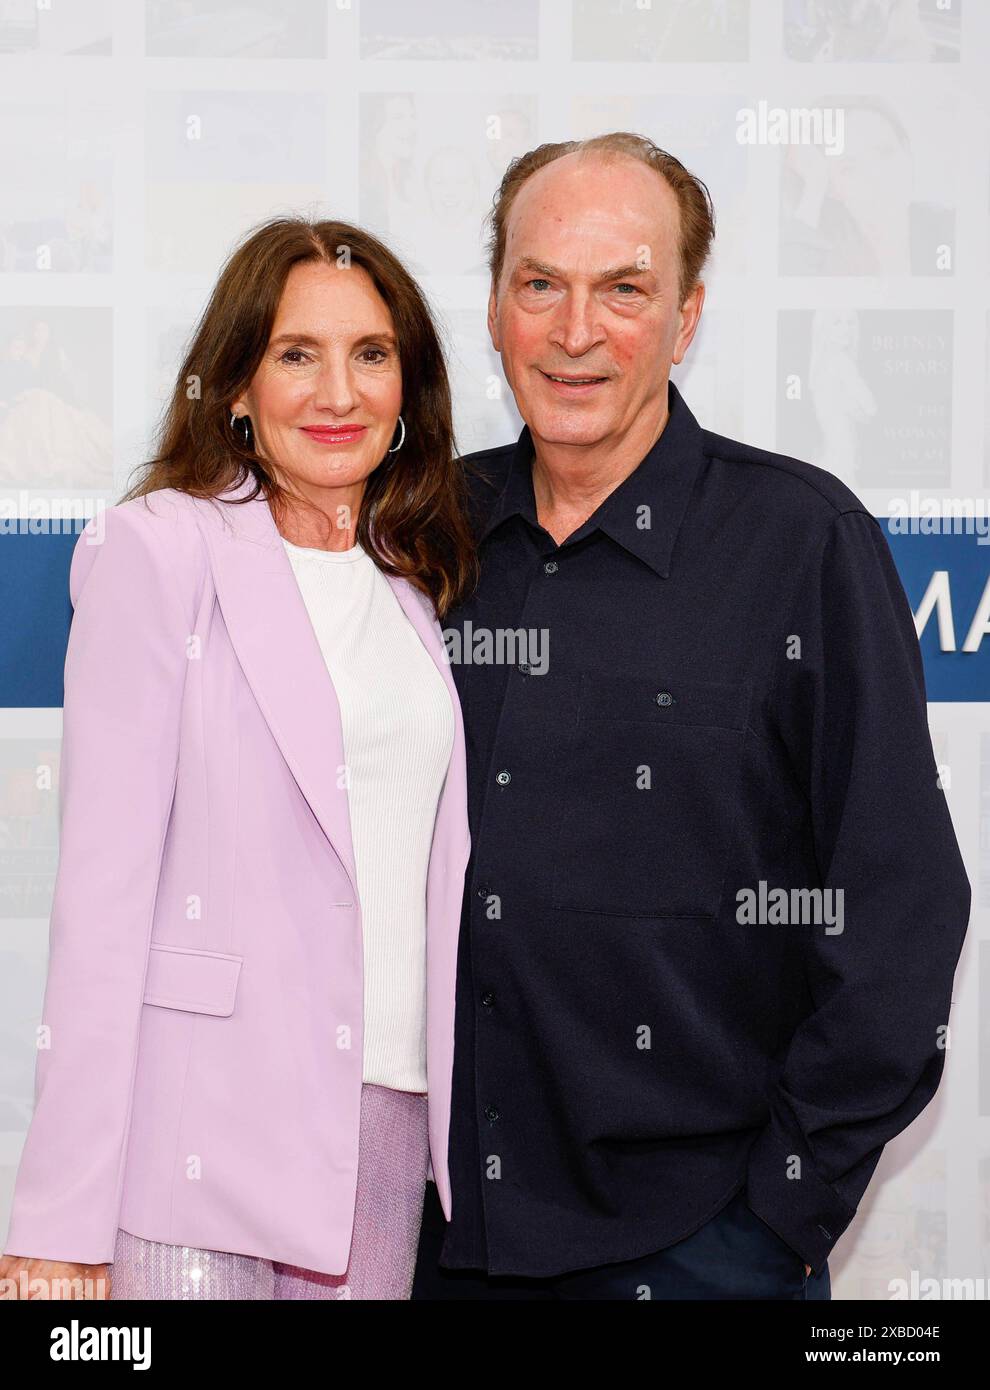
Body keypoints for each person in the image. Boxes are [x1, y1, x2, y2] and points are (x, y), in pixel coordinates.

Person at [410, 132, 971, 1301]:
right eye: (540, 285)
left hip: (701, 1249)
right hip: (438, 1243)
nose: (575, 332)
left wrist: (772, 1219)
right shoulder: (425, 536)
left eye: (624, 289)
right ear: (498, 308)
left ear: (687, 316)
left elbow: (902, 905)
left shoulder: (802, 542)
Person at [1, 215, 475, 1300]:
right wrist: (58, 1223)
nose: (338, 392)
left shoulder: (410, 598)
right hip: (198, 1141)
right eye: (295, 354)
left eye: (371, 354)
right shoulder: (161, 550)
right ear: (237, 389)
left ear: (409, 392)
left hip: (383, 1134)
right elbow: (101, 898)